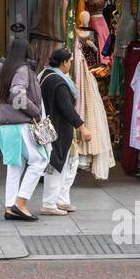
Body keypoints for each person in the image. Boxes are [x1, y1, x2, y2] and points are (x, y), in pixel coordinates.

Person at [0, 38, 49, 221]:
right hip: (19, 124)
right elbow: (17, 94)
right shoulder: (22, 69)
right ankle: (21, 202)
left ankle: (10, 206)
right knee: (40, 160)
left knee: (14, 166)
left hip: (6, 126)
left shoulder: (6, 70)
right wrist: (35, 111)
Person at [38, 48, 91, 217]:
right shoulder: (58, 82)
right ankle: (49, 203)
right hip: (58, 129)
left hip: (51, 128)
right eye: (69, 61)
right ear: (63, 63)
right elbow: (66, 108)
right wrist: (82, 127)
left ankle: (60, 200)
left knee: (66, 164)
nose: (70, 64)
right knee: (57, 165)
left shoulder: (45, 75)